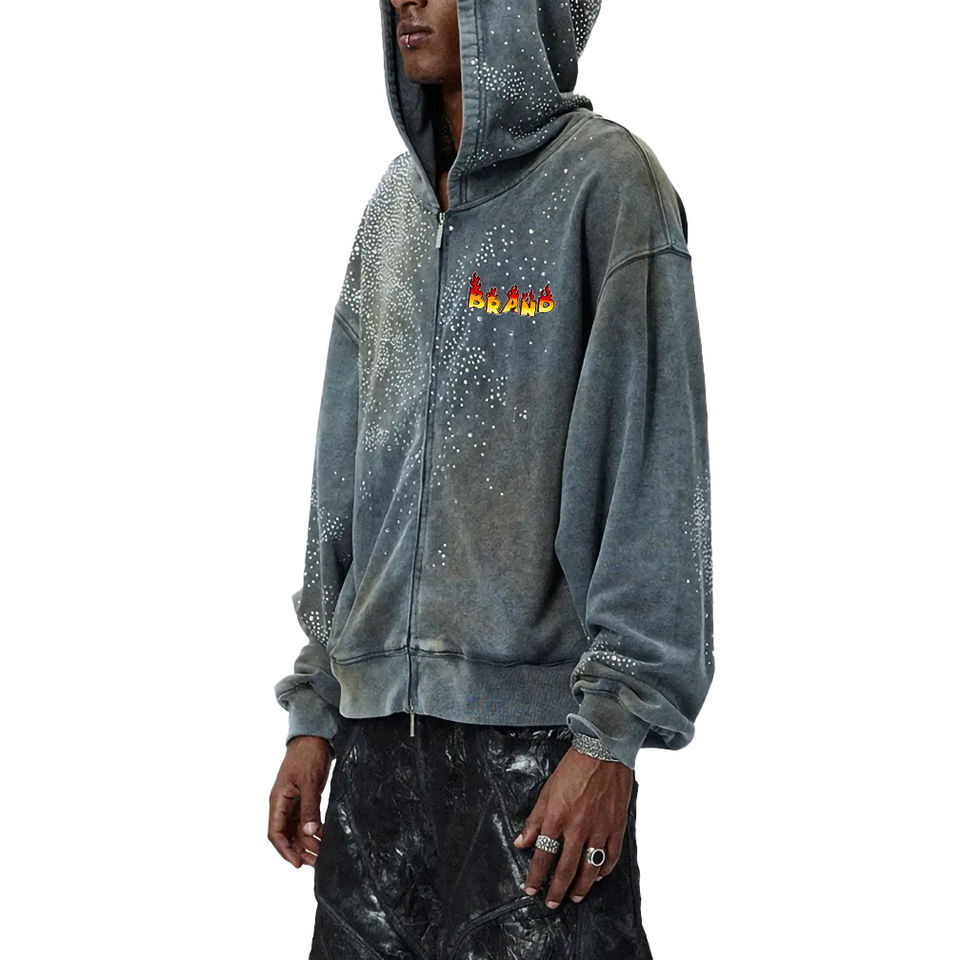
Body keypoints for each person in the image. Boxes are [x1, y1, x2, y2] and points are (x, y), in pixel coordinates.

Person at [268, 1, 714, 957]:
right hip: (374, 754)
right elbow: (342, 481)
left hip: (535, 755)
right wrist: (317, 709)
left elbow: (653, 474)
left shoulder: (607, 186)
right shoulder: (393, 209)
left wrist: (610, 740)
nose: (406, 0)